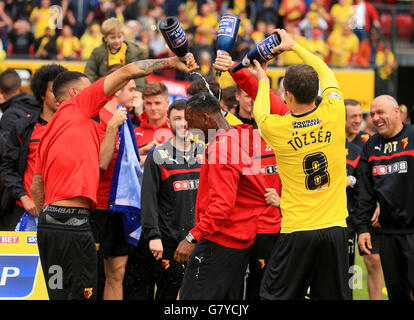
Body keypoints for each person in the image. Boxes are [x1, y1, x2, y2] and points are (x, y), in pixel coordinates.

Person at [30, 54, 198, 300]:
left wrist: (49, 216)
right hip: (74, 223)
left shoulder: (48, 131)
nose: (102, 95)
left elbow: (37, 185)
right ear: (77, 92)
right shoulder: (78, 105)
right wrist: (170, 62)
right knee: (84, 294)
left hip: (48, 225)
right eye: (93, 90)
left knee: (59, 293)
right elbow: (126, 71)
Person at [253, 29, 350, 300]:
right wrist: (294, 46)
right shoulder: (335, 111)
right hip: (335, 228)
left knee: (273, 296)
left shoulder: (278, 128)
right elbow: (326, 70)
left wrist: (262, 77)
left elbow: (259, 113)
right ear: (316, 91)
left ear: (288, 96)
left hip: (298, 230)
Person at [174, 92, 270, 300]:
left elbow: (221, 207)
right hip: (239, 241)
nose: (189, 129)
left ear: (206, 119)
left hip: (220, 241)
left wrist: (192, 237)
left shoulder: (221, 149)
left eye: (191, 122)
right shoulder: (238, 135)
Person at [141, 99, 204, 300]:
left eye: (186, 118)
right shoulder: (158, 156)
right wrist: (153, 236)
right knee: (168, 296)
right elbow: (148, 199)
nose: (183, 123)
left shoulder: (205, 153)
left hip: (201, 240)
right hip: (169, 243)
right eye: (177, 118)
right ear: (168, 123)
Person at [356, 95, 414, 300]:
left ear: (397, 112)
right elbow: (366, 192)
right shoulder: (371, 146)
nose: (375, 118)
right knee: (396, 291)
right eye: (372, 114)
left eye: (381, 112)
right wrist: (363, 228)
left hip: (412, 231)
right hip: (387, 234)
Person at [0, 64, 66, 231]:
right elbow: (8, 167)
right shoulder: (24, 127)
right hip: (25, 212)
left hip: (62, 213)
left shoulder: (72, 128)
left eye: (62, 90)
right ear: (42, 93)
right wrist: (24, 198)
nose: (59, 96)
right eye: (53, 90)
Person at [93, 66, 138, 300]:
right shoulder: (101, 117)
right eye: (131, 88)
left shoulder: (124, 115)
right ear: (116, 88)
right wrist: (112, 128)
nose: (135, 93)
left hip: (121, 205)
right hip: (99, 205)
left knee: (117, 273)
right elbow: (102, 162)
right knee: (90, 275)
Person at [344, 98, 383, 300]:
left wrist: (378, 204)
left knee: (373, 259)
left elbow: (379, 178)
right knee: (343, 268)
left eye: (360, 116)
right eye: (353, 116)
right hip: (339, 214)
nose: (358, 120)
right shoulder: (331, 141)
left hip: (365, 211)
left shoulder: (369, 142)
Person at [84, 17, 147, 92]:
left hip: (127, 87)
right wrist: (91, 89)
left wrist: (138, 91)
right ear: (105, 38)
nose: (117, 41)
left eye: (119, 37)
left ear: (123, 35)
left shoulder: (132, 51)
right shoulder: (98, 52)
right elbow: (89, 72)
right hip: (106, 87)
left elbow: (139, 73)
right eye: (113, 38)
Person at [0, 69, 40, 136]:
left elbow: (7, 144)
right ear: (21, 87)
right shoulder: (40, 104)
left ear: (1, 91)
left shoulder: (9, 116)